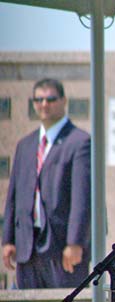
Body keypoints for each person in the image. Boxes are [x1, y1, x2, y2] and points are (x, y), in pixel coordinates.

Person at [2, 78, 91, 288]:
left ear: (64, 101)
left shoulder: (79, 142)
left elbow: (82, 198)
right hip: (27, 248)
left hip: (62, 250)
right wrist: (7, 240)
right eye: (39, 99)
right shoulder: (25, 145)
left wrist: (75, 243)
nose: (44, 104)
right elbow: (14, 194)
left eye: (51, 99)